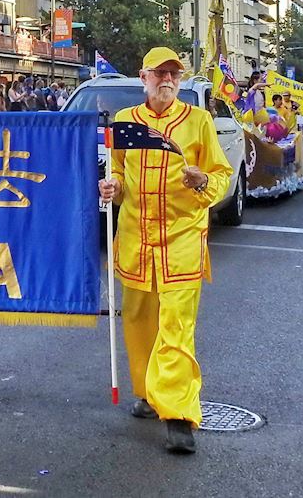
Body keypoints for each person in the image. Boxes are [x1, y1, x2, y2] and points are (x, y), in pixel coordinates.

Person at [97, 47, 232, 455]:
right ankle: (147, 391)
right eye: (160, 74)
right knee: (138, 321)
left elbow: (222, 175)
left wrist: (201, 180)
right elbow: (117, 171)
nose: (167, 81)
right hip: (137, 239)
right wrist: (112, 188)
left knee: (176, 327)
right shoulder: (124, 122)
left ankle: (177, 413)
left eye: (174, 74)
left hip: (183, 241)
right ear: (144, 77)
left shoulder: (199, 121)